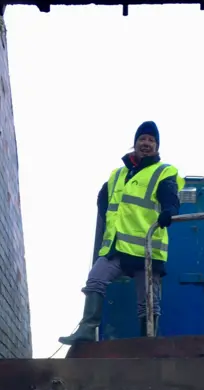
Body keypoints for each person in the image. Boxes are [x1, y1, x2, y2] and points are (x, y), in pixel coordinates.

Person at [59, 121, 184, 345]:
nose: (146, 144)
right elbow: (104, 201)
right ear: (135, 143)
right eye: (142, 139)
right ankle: (86, 330)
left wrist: (170, 210)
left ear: (157, 146)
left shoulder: (163, 172)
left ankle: (148, 342)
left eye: (151, 140)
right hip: (117, 248)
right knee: (95, 280)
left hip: (146, 249)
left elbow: (170, 196)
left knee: (147, 302)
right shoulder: (117, 174)